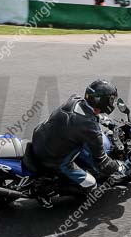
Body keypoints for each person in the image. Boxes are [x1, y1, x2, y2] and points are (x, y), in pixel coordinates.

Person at [30, 79, 126, 207]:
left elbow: (87, 115)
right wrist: (118, 166)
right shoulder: (90, 129)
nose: (112, 102)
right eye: (110, 99)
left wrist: (106, 121)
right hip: (52, 158)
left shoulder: (75, 99)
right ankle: (43, 189)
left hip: (39, 137)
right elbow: (102, 161)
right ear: (101, 101)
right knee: (91, 184)